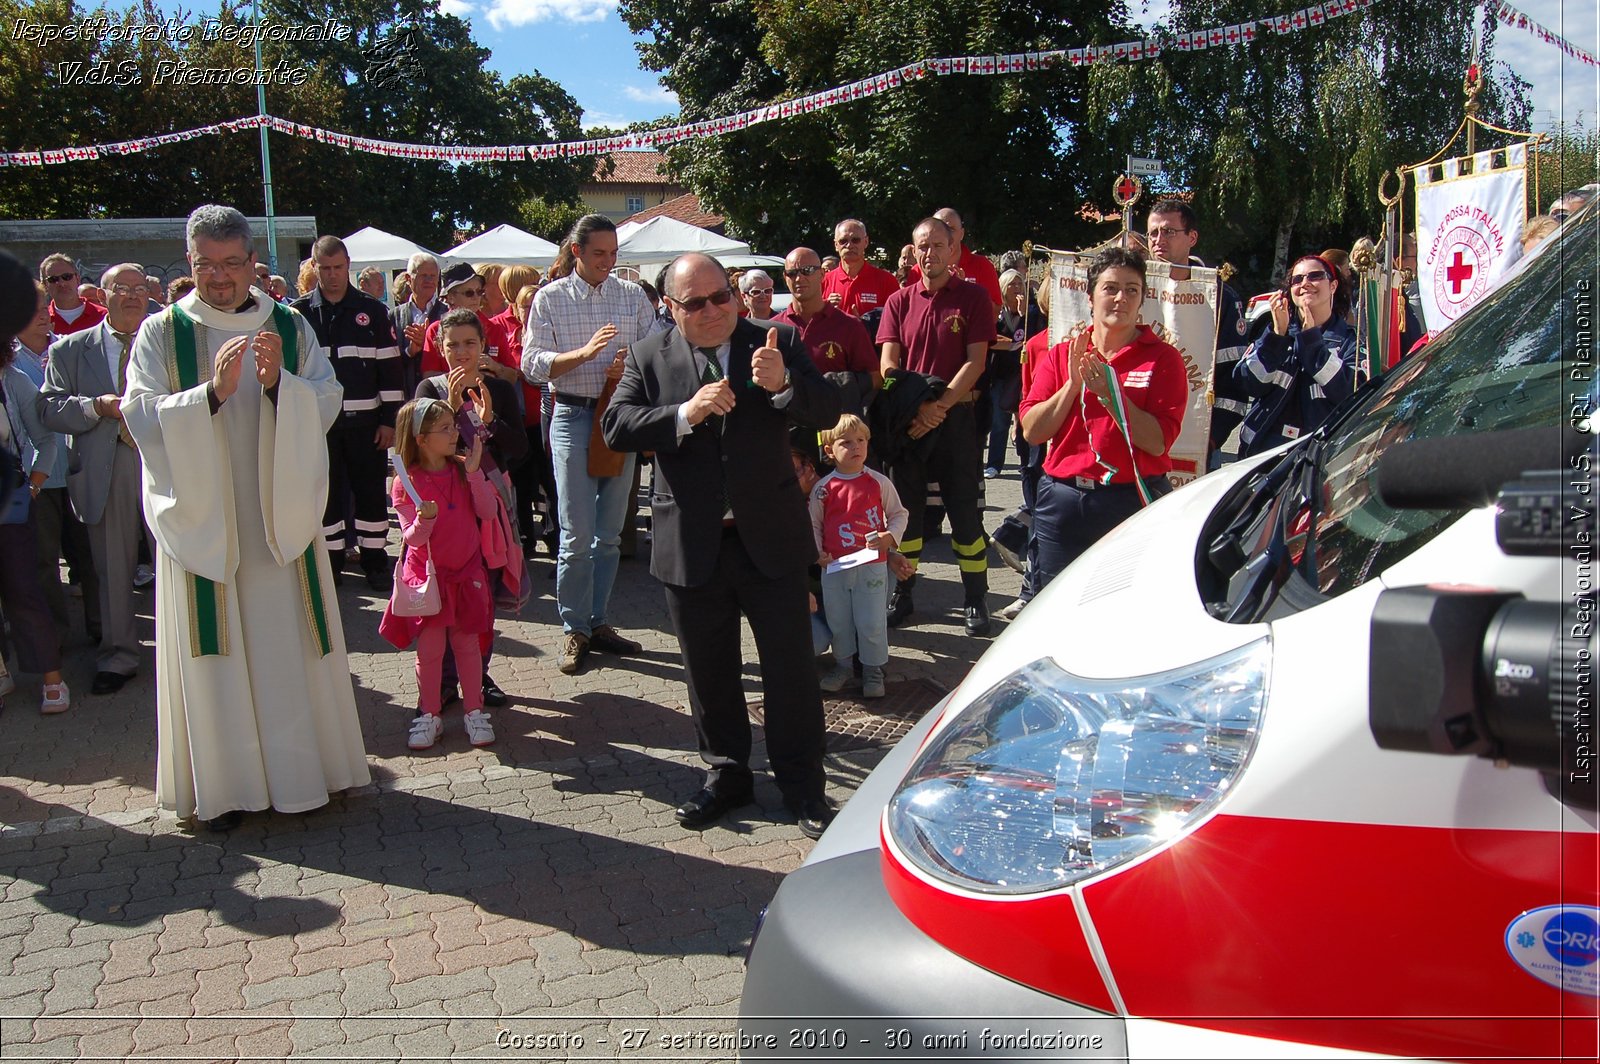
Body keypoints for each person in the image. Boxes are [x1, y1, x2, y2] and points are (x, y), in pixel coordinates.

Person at [122, 204, 371, 828]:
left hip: (276, 524)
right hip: (206, 524)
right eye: (207, 265)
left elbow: (329, 396)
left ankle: (304, 777)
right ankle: (225, 791)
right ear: (190, 261)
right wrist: (210, 394)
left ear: (253, 262)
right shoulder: (162, 332)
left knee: (286, 641)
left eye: (233, 264)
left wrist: (276, 386)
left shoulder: (287, 325)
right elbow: (139, 414)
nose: (221, 278)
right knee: (218, 653)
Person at [602, 252, 842, 839]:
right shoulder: (645, 355)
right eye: (696, 303)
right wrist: (684, 413)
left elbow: (832, 408)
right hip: (692, 542)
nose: (713, 311)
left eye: (721, 297)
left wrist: (784, 388)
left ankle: (802, 783)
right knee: (709, 671)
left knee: (790, 670)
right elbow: (616, 427)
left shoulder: (777, 340)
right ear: (670, 308)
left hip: (771, 541)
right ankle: (727, 775)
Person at [524, 215, 657, 675]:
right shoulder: (550, 297)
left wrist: (629, 371)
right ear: (577, 252)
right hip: (572, 415)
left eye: (614, 252)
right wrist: (580, 356)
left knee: (609, 535)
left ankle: (598, 621)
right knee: (576, 533)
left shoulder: (632, 295)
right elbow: (531, 364)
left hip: (619, 416)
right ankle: (574, 628)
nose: (608, 261)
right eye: (599, 253)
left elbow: (655, 352)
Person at [1019, 248, 1187, 591]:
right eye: (1110, 288)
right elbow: (1033, 431)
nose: (1120, 298)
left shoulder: (1163, 358)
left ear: (1142, 300)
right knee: (1052, 603)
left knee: (1119, 607)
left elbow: (1158, 441)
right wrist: (1073, 385)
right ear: (1090, 296)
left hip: (1127, 503)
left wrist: (1111, 395)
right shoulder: (1062, 354)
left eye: (1132, 290)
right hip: (1061, 500)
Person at [38, 263, 157, 693]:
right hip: (107, 467)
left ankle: (187, 654)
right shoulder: (69, 350)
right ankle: (118, 656)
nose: (131, 296)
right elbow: (50, 408)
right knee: (111, 567)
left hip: (163, 462)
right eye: (121, 288)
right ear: (101, 296)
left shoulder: (166, 338)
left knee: (177, 559)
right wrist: (96, 407)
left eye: (139, 289)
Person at [876, 216, 996, 635]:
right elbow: (889, 363)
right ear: (914, 252)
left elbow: (976, 362)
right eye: (922, 247)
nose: (930, 254)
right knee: (905, 516)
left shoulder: (975, 298)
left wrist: (940, 406)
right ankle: (903, 595)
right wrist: (919, 406)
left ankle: (976, 598)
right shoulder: (899, 301)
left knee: (964, 513)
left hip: (957, 420)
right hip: (909, 422)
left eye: (938, 245)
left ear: (953, 249)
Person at [414, 308, 527, 708]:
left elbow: (519, 450)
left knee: (482, 596)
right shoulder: (429, 389)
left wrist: (489, 420)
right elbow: (422, 449)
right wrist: (450, 405)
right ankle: (444, 680)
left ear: (483, 346)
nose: (461, 352)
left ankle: (478, 674)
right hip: (448, 510)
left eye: (470, 343)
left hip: (489, 504)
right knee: (445, 594)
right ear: (440, 348)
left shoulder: (498, 386)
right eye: (453, 344)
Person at [381, 398, 499, 750]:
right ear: (421, 439)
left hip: (466, 575)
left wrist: (476, 472)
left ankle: (474, 711)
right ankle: (428, 715)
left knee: (467, 646)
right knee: (430, 651)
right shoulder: (405, 482)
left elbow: (488, 510)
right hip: (428, 581)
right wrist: (425, 517)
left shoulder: (463, 469)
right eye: (445, 428)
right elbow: (412, 537)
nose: (454, 434)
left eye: (453, 426)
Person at [291, 235, 405, 591]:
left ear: (348, 266)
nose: (332, 275)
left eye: (338, 268)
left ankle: (375, 563)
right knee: (325, 497)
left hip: (366, 425)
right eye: (324, 269)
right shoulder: (299, 314)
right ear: (314, 268)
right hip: (318, 426)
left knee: (371, 493)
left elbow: (389, 370)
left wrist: (389, 421)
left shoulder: (372, 311)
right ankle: (331, 564)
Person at [1143, 199, 1249, 466]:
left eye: (1168, 231)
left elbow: (1232, 379)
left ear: (1192, 237)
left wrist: (1212, 438)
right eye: (1153, 233)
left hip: (1196, 443)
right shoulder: (1133, 288)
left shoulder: (1218, 296)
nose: (1158, 240)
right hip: (1138, 437)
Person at [809, 414, 907, 700]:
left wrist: (889, 538)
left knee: (871, 621)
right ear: (829, 450)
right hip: (835, 569)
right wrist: (818, 552)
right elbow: (813, 524)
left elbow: (899, 514)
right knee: (840, 620)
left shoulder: (878, 482)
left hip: (872, 567)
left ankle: (873, 670)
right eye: (846, 442)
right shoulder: (823, 489)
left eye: (861, 441)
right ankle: (843, 666)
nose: (856, 447)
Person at [1, 334, 70, 714]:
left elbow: (45, 439)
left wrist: (34, 482)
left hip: (9, 494)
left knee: (22, 587)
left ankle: (52, 678)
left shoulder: (11, 379)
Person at [1235, 254, 1357, 457]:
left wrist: (1312, 343)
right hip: (1263, 456)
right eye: (1297, 280)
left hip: (1320, 458)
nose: (1306, 283)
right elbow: (1247, 382)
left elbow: (1350, 394)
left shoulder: (1350, 342)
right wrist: (1276, 339)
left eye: (1315, 276)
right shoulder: (1276, 332)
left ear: (1333, 286)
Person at [772, 247, 878, 415]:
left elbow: (875, 378)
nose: (799, 278)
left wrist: (840, 386)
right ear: (785, 278)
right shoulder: (773, 329)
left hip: (836, 428)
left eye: (807, 271)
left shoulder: (850, 326)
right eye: (792, 273)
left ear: (822, 274)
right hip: (788, 431)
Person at [983, 268, 1041, 477]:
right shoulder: (997, 313)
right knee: (1000, 421)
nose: (1017, 288)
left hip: (1025, 373)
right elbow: (989, 339)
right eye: (1012, 284)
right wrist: (1006, 345)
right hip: (1001, 374)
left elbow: (1035, 337)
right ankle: (994, 464)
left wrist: (1025, 314)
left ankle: (1027, 461)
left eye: (1020, 284)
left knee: (1025, 419)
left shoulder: (1032, 312)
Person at [907, 208, 1003, 306]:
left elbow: (994, 312)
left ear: (962, 234)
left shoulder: (982, 266)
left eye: (951, 229)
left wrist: (966, 292)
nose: (946, 234)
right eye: (940, 229)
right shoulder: (917, 271)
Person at [822, 219, 900, 319]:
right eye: (843, 241)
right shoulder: (823, 282)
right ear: (836, 245)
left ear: (866, 242)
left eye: (855, 240)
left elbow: (897, 322)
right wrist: (824, 309)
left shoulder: (886, 281)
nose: (849, 245)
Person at [391, 252, 444, 399]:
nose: (428, 280)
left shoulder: (449, 314)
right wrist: (410, 351)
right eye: (423, 275)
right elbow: (387, 363)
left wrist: (429, 342)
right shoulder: (394, 316)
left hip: (439, 398)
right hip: (405, 398)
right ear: (408, 279)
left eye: (433, 276)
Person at [40, 254, 106, 336]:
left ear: (78, 279)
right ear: (44, 285)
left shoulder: (104, 317)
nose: (62, 283)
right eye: (53, 279)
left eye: (67, 277)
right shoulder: (40, 321)